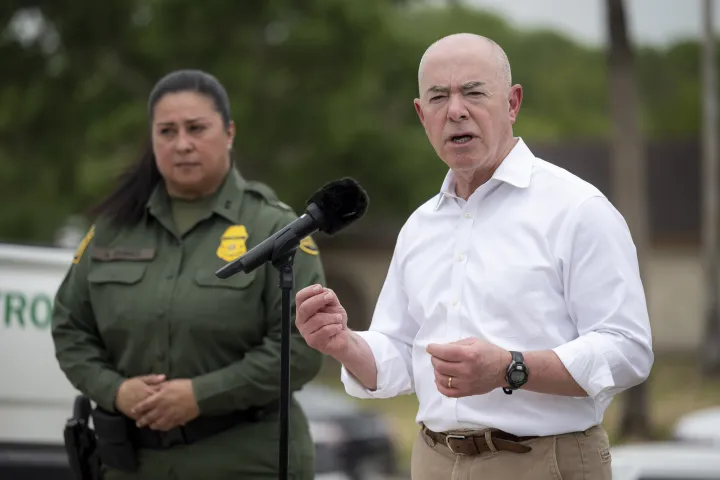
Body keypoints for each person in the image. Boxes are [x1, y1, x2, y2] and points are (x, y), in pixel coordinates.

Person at [294, 33, 654, 479]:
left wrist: (511, 368)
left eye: (474, 92)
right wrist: (343, 343)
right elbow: (403, 352)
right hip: (433, 460)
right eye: (439, 97)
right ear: (422, 115)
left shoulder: (578, 209)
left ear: (512, 103)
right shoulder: (420, 226)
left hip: (544, 462)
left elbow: (627, 349)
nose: (456, 109)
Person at [51, 69, 326, 480]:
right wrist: (116, 391)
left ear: (229, 132)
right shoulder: (112, 229)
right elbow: (70, 328)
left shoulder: (276, 230)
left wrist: (201, 396)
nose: (182, 144)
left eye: (196, 128)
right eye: (167, 131)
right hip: (131, 463)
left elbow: (303, 348)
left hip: (246, 461)